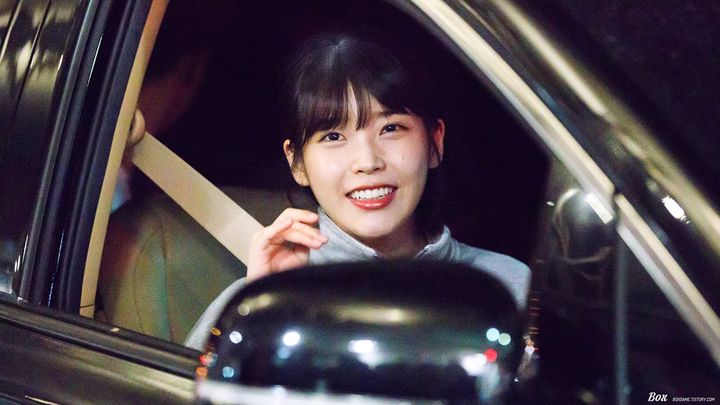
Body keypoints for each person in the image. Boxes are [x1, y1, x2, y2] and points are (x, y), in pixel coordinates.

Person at [185, 34, 530, 350]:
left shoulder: (509, 288)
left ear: (434, 143)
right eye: (333, 136)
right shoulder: (253, 301)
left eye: (391, 128)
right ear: (297, 163)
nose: (367, 162)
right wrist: (264, 310)